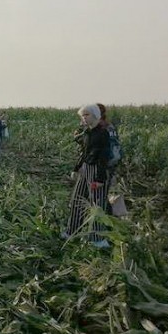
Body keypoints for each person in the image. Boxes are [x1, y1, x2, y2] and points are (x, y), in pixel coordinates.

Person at [63, 104, 111, 249]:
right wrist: (76, 168)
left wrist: (100, 179)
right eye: (82, 115)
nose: (84, 118)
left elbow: (104, 157)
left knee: (97, 205)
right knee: (77, 199)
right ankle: (72, 231)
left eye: (86, 115)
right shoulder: (87, 133)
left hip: (97, 170)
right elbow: (84, 153)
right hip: (86, 169)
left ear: (95, 115)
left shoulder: (103, 133)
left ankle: (98, 240)